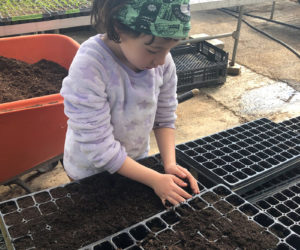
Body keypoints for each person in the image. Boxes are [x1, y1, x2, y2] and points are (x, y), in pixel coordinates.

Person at [60, 0, 200, 206]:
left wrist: (169, 164)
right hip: (89, 172)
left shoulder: (162, 64)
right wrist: (154, 179)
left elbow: (164, 117)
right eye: (153, 50)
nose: (161, 60)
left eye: (168, 50)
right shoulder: (90, 66)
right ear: (118, 29)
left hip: (135, 164)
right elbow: (98, 144)